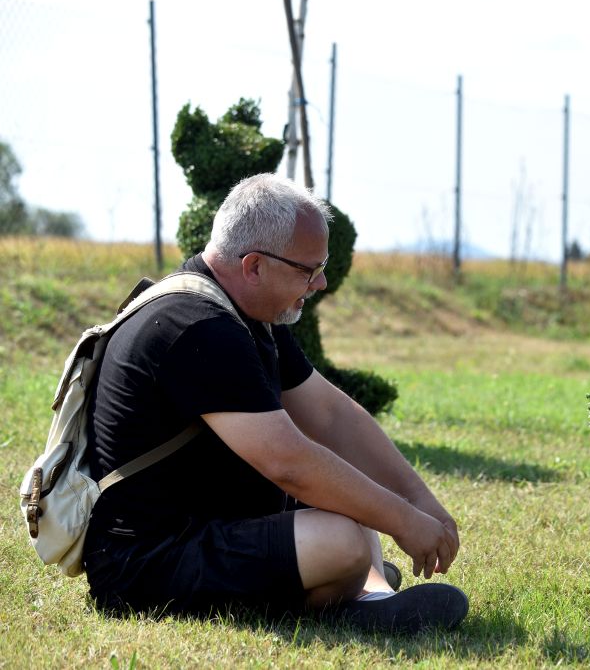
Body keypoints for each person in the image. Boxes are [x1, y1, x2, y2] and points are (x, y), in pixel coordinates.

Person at [82, 173, 467, 633]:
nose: (320, 282)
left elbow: (330, 415)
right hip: (146, 564)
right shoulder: (197, 326)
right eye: (308, 269)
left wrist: (419, 498)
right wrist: (404, 521)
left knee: (349, 498)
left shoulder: (242, 312)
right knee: (342, 539)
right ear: (254, 267)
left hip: (213, 526)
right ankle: (347, 588)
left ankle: (369, 593)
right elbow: (289, 464)